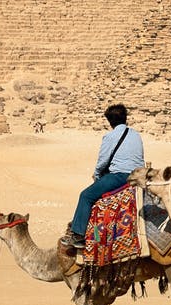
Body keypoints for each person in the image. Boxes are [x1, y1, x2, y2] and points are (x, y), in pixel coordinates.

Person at [60, 104, 145, 248]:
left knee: (86, 196)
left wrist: (97, 175)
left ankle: (78, 236)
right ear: (125, 118)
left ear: (110, 122)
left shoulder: (110, 136)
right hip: (139, 176)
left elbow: (103, 161)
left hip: (120, 177)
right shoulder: (136, 135)